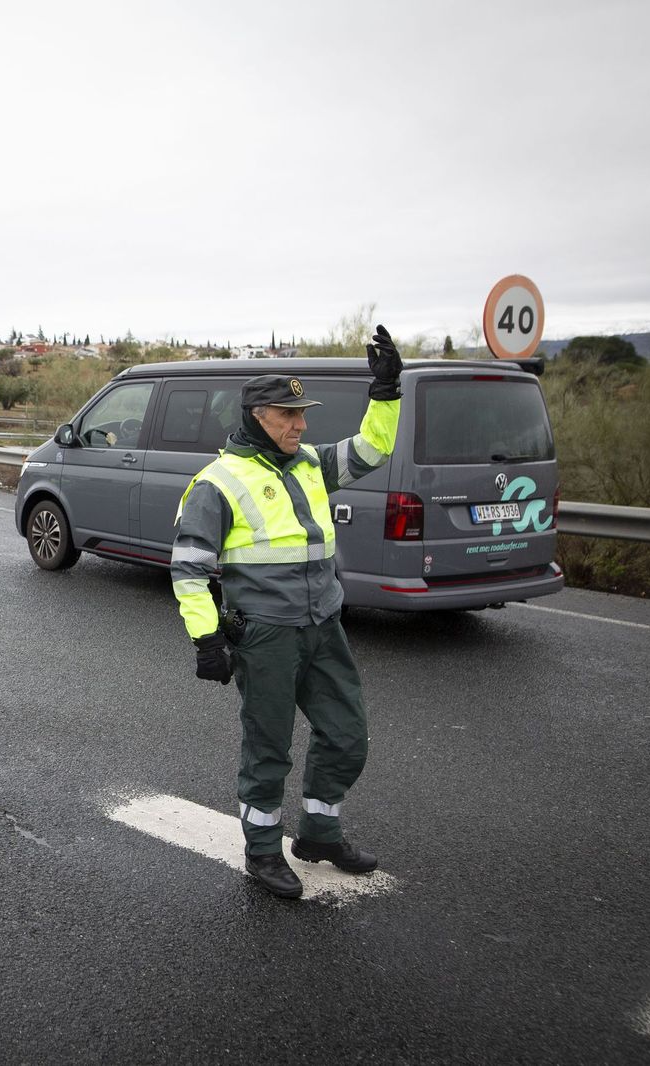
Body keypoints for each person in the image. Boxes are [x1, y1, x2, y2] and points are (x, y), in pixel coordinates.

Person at [170, 326, 403, 899]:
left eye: (302, 414)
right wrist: (207, 640)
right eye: (287, 414)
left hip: (323, 627)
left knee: (348, 735)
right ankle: (263, 852)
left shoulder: (311, 465)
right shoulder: (217, 482)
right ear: (256, 416)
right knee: (268, 747)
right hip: (266, 636)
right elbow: (189, 570)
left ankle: (320, 833)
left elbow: (373, 449)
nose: (300, 425)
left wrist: (387, 392)